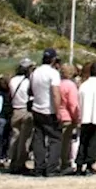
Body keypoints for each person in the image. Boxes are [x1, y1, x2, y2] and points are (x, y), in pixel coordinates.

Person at [29, 48, 63, 177]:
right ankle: (52, 167)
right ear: (53, 59)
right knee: (55, 139)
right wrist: (58, 110)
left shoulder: (35, 72)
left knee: (39, 138)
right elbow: (55, 93)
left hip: (37, 107)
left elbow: (31, 91)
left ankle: (39, 167)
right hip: (49, 109)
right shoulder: (53, 73)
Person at [7, 60, 34, 174]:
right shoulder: (29, 82)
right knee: (25, 139)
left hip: (15, 109)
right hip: (25, 110)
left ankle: (12, 161)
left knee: (14, 137)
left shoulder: (13, 80)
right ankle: (20, 163)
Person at [57, 64, 81, 173]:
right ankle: (64, 164)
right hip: (67, 116)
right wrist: (76, 117)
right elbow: (72, 104)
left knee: (57, 141)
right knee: (66, 142)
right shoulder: (71, 85)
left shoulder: (57, 84)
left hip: (57, 114)